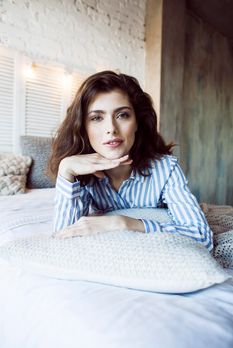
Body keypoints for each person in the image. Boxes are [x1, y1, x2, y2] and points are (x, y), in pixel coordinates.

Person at [48, 70, 213, 251]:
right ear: (83, 128)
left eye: (122, 115)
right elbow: (63, 238)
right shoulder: (82, 174)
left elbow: (202, 238)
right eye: (96, 118)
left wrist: (123, 223)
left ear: (137, 122)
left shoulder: (166, 168)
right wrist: (66, 169)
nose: (111, 128)